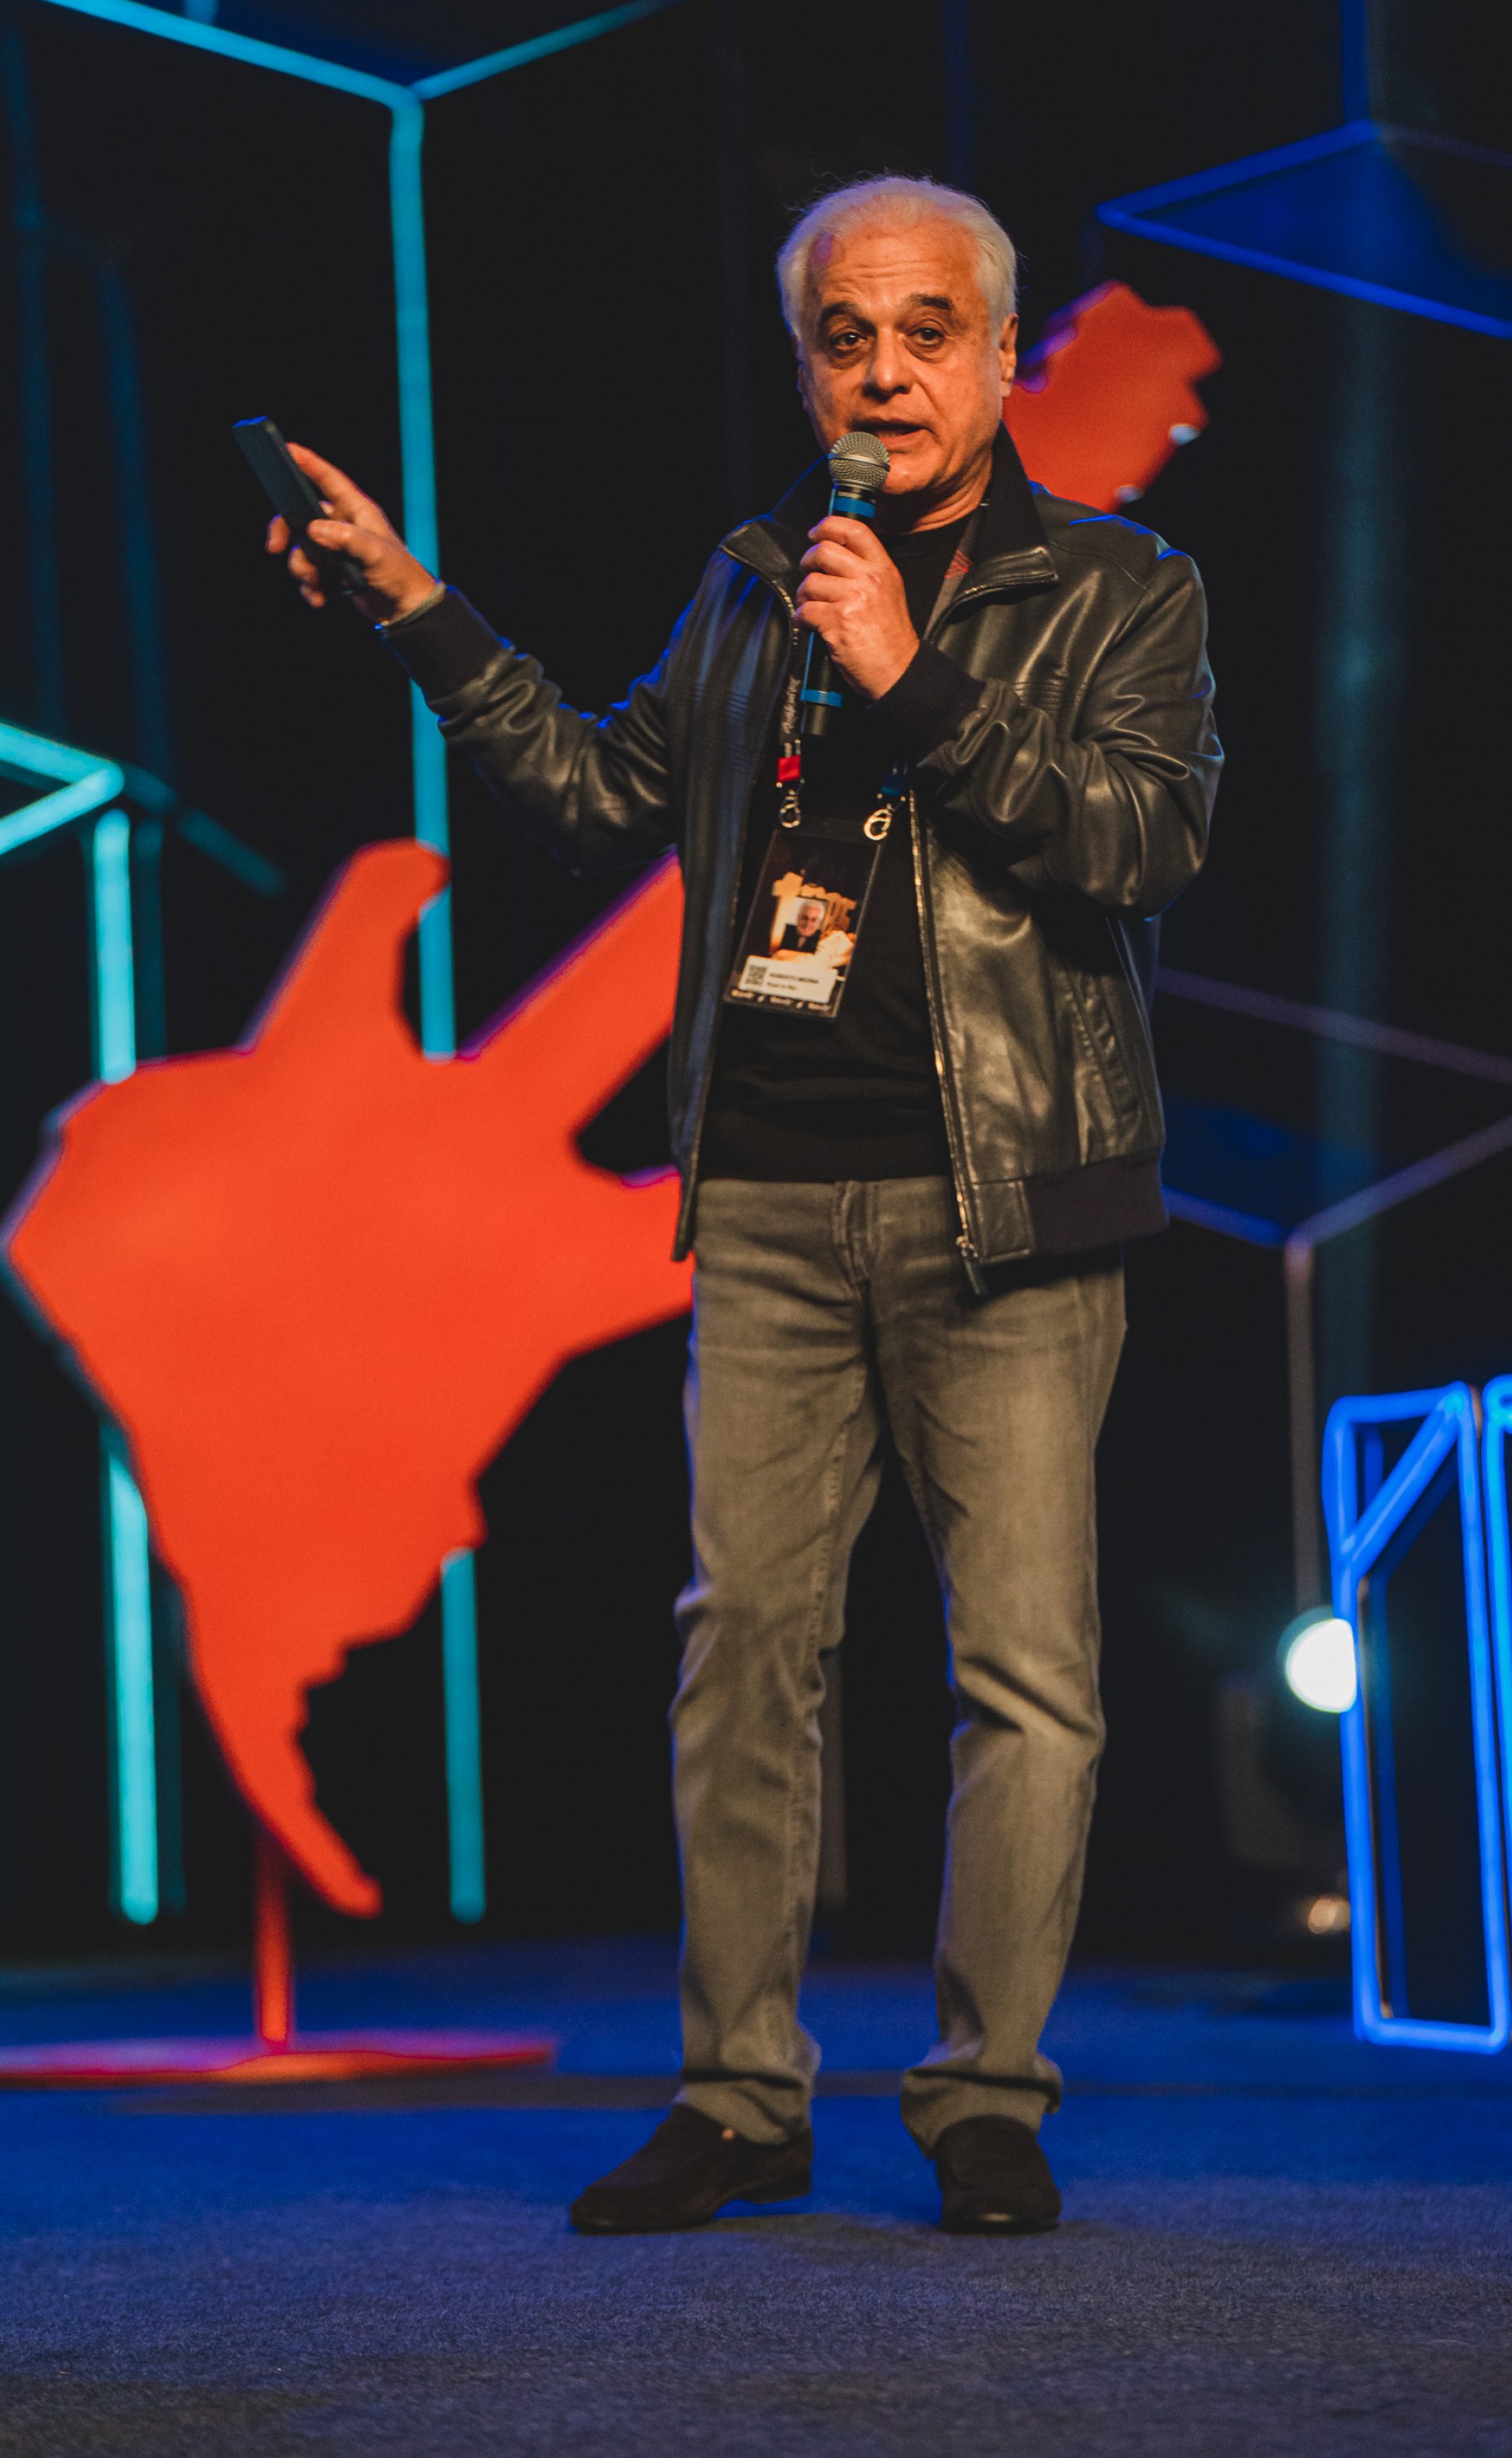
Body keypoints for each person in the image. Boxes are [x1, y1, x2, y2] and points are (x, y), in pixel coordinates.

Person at [269, 173, 1221, 2235]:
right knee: (741, 1656)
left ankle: (985, 2101)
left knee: (1024, 1672)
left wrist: (913, 678)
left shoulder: (1116, 585)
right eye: (844, 338)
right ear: (805, 366)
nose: (886, 374)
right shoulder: (753, 578)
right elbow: (601, 794)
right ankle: (740, 2100)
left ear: (999, 352)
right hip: (775, 1199)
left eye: (928, 332)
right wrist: (420, 609)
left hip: (1006, 1205)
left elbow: (1138, 846)